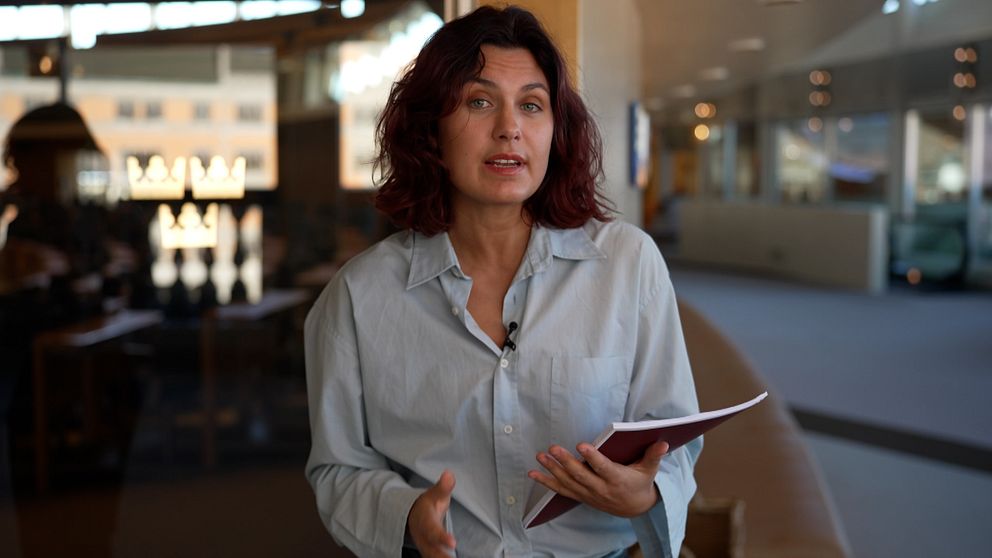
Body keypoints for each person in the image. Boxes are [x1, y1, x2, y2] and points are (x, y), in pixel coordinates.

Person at [304, 6, 700, 557]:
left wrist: (646, 493)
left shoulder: (628, 265)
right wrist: (407, 515)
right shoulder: (359, 296)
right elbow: (338, 469)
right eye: (479, 101)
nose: (509, 127)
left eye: (531, 105)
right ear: (431, 130)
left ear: (555, 131)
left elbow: (672, 441)